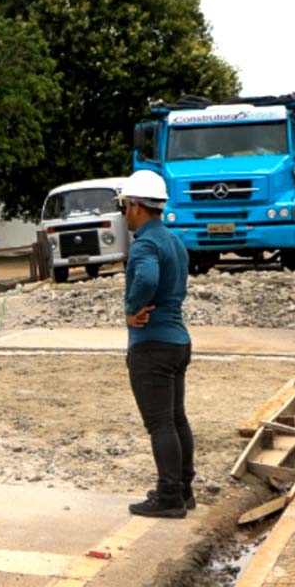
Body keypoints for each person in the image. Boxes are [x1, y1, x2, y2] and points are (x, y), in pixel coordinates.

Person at [118, 170, 195, 519]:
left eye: (125, 206)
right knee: (176, 418)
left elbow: (147, 277)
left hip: (153, 346)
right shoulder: (173, 240)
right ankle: (184, 489)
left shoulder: (145, 244)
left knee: (160, 424)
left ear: (136, 206)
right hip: (177, 341)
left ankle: (169, 496)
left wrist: (133, 308)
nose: (125, 213)